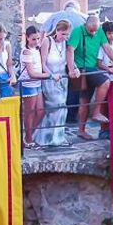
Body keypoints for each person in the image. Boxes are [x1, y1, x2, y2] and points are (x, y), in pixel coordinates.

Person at [38, 19, 78, 147]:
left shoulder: (65, 43)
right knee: (56, 106)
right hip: (50, 79)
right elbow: (42, 63)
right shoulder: (47, 41)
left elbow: (69, 59)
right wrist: (51, 75)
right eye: (63, 34)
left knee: (62, 108)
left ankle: (58, 137)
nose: (65, 37)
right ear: (57, 31)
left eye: (67, 34)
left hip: (62, 80)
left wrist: (75, 68)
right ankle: (46, 137)